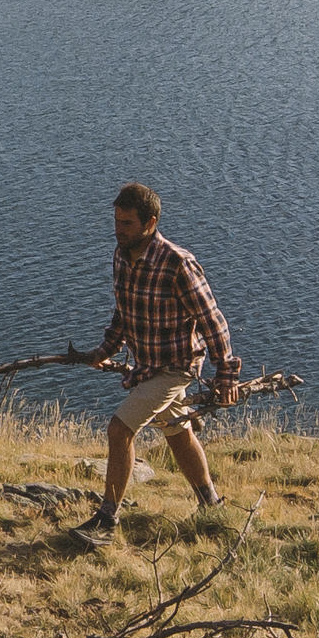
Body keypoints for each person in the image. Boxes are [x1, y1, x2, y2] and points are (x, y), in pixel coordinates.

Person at [75, 182, 236, 538]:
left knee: (119, 430)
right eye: (116, 221)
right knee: (178, 434)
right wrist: (105, 350)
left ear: (150, 223)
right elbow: (124, 312)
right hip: (147, 367)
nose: (118, 230)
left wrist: (226, 373)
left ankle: (106, 521)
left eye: (127, 223)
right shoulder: (121, 255)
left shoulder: (177, 263)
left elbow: (213, 322)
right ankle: (212, 507)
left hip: (176, 367)